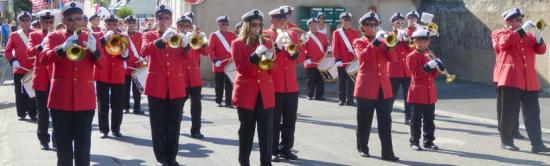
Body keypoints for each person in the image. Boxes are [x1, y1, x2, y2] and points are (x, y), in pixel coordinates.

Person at [40, 2, 101, 165]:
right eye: (70, 19)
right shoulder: (54, 37)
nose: (75, 22)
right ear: (64, 20)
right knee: (63, 149)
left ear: (83, 21)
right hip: (61, 101)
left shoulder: (92, 37)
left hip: (84, 100)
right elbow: (43, 58)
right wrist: (62, 48)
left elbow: (103, 65)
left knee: (83, 149)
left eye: (78, 19)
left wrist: (95, 50)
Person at [494, 8, 550, 153]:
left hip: (529, 80)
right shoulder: (500, 33)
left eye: (521, 20)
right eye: (517, 20)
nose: (521, 22)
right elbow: (502, 44)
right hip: (510, 79)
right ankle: (506, 141)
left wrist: (538, 36)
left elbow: (541, 50)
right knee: (508, 112)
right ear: (508, 22)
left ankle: (537, 144)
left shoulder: (528, 36)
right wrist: (521, 31)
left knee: (533, 114)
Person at [141, 5, 189, 165]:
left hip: (176, 86)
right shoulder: (148, 35)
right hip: (157, 87)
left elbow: (189, 59)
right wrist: (161, 40)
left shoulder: (178, 35)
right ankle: (161, 158)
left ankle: (172, 157)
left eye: (167, 18)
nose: (163, 21)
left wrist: (186, 46)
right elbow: (144, 51)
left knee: (174, 124)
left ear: (171, 19)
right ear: (156, 20)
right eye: (160, 18)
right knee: (158, 125)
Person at [352, 12, 399, 161]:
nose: (373, 27)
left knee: (385, 121)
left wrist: (390, 45)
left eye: (375, 25)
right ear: (363, 27)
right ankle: (362, 147)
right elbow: (362, 58)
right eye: (369, 25)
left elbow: (393, 59)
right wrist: (376, 42)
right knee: (364, 120)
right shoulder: (359, 41)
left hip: (383, 87)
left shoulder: (384, 41)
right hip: (365, 87)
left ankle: (388, 152)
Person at [232, 9, 275, 166]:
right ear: (246, 25)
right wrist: (254, 57)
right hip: (247, 93)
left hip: (265, 93)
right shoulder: (237, 43)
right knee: (246, 132)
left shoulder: (266, 42)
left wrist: (271, 59)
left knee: (266, 133)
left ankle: (266, 163)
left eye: (259, 24)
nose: (257, 28)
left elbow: (271, 71)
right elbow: (241, 68)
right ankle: (244, 162)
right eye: (253, 25)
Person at [266, 7, 305, 161]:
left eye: (285, 19)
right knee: (273, 121)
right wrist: (276, 46)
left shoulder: (292, 35)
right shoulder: (266, 35)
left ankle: (286, 148)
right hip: (274, 85)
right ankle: (273, 149)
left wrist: (295, 50)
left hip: (291, 85)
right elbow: (265, 59)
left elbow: (299, 59)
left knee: (290, 120)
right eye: (280, 20)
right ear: (273, 20)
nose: (284, 23)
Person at [406, 28, 441, 151]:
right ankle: (414, 141)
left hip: (429, 91)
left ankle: (429, 141)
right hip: (418, 92)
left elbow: (433, 76)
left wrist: (437, 66)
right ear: (415, 41)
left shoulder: (429, 55)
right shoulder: (411, 56)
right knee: (416, 120)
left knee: (429, 120)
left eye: (426, 41)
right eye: (421, 41)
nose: (424, 43)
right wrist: (428, 66)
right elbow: (416, 74)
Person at [95, 15, 129, 138]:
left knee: (118, 104)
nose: (112, 27)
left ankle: (116, 128)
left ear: (117, 25)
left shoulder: (123, 37)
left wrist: (125, 53)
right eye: (109, 24)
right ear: (105, 25)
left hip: (117, 74)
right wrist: (104, 38)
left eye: (114, 24)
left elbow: (125, 57)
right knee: (102, 104)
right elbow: (95, 51)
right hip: (102, 72)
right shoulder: (98, 36)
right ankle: (103, 129)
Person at [176, 14, 208, 139]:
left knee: (196, 106)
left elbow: (205, 53)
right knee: (178, 106)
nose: (185, 28)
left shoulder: (195, 37)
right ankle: (175, 127)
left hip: (194, 78)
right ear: (178, 27)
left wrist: (204, 41)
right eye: (182, 25)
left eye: (187, 26)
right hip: (181, 77)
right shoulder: (174, 38)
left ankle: (196, 130)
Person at [27, 10, 55, 150]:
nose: (49, 24)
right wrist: (41, 45)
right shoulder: (34, 34)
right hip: (41, 78)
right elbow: (29, 52)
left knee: (57, 111)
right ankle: (43, 138)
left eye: (51, 22)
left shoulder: (58, 34)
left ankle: (57, 138)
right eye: (46, 21)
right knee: (43, 111)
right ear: (40, 22)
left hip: (56, 77)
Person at [5, 11, 36, 120]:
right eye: (23, 20)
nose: (26, 22)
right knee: (20, 92)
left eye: (27, 20)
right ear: (20, 22)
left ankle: (33, 113)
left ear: (30, 21)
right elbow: (7, 51)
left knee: (32, 92)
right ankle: (21, 113)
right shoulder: (14, 35)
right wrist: (13, 61)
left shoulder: (36, 33)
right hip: (19, 68)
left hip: (33, 68)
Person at [387, 12, 413, 125]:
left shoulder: (406, 35)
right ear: (392, 23)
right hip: (394, 70)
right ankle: (386, 115)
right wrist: (397, 37)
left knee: (408, 95)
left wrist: (407, 40)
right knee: (391, 95)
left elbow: (412, 50)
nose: (400, 24)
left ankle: (408, 117)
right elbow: (389, 49)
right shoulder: (388, 35)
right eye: (397, 22)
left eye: (401, 22)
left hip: (406, 70)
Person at [208, 15, 236, 108]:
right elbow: (210, 49)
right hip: (219, 63)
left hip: (229, 63)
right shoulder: (214, 35)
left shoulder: (232, 35)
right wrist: (215, 59)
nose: (225, 26)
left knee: (229, 84)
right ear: (219, 24)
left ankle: (228, 102)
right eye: (223, 24)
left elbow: (235, 48)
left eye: (226, 24)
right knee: (219, 83)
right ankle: (218, 100)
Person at [332, 12, 359, 106]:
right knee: (342, 82)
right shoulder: (336, 33)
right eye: (344, 20)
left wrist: (357, 56)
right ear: (341, 21)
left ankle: (350, 100)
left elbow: (357, 46)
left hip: (352, 61)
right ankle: (341, 99)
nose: (346, 22)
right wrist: (337, 59)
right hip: (341, 61)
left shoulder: (355, 32)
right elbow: (335, 46)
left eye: (348, 20)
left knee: (351, 81)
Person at [122, 15, 145, 114]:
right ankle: (125, 106)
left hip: (137, 65)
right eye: (129, 23)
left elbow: (143, 50)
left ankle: (137, 107)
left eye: (133, 23)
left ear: (136, 24)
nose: (131, 25)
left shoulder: (140, 35)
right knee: (125, 88)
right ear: (125, 24)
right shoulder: (122, 36)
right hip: (126, 65)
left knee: (137, 89)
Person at [303, 18, 328, 100]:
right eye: (312, 25)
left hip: (321, 61)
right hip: (310, 61)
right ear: (309, 26)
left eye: (316, 24)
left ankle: (319, 96)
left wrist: (328, 52)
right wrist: (306, 57)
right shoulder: (305, 36)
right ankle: (309, 95)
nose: (314, 26)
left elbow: (327, 47)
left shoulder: (323, 35)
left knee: (321, 79)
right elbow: (302, 49)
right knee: (310, 80)